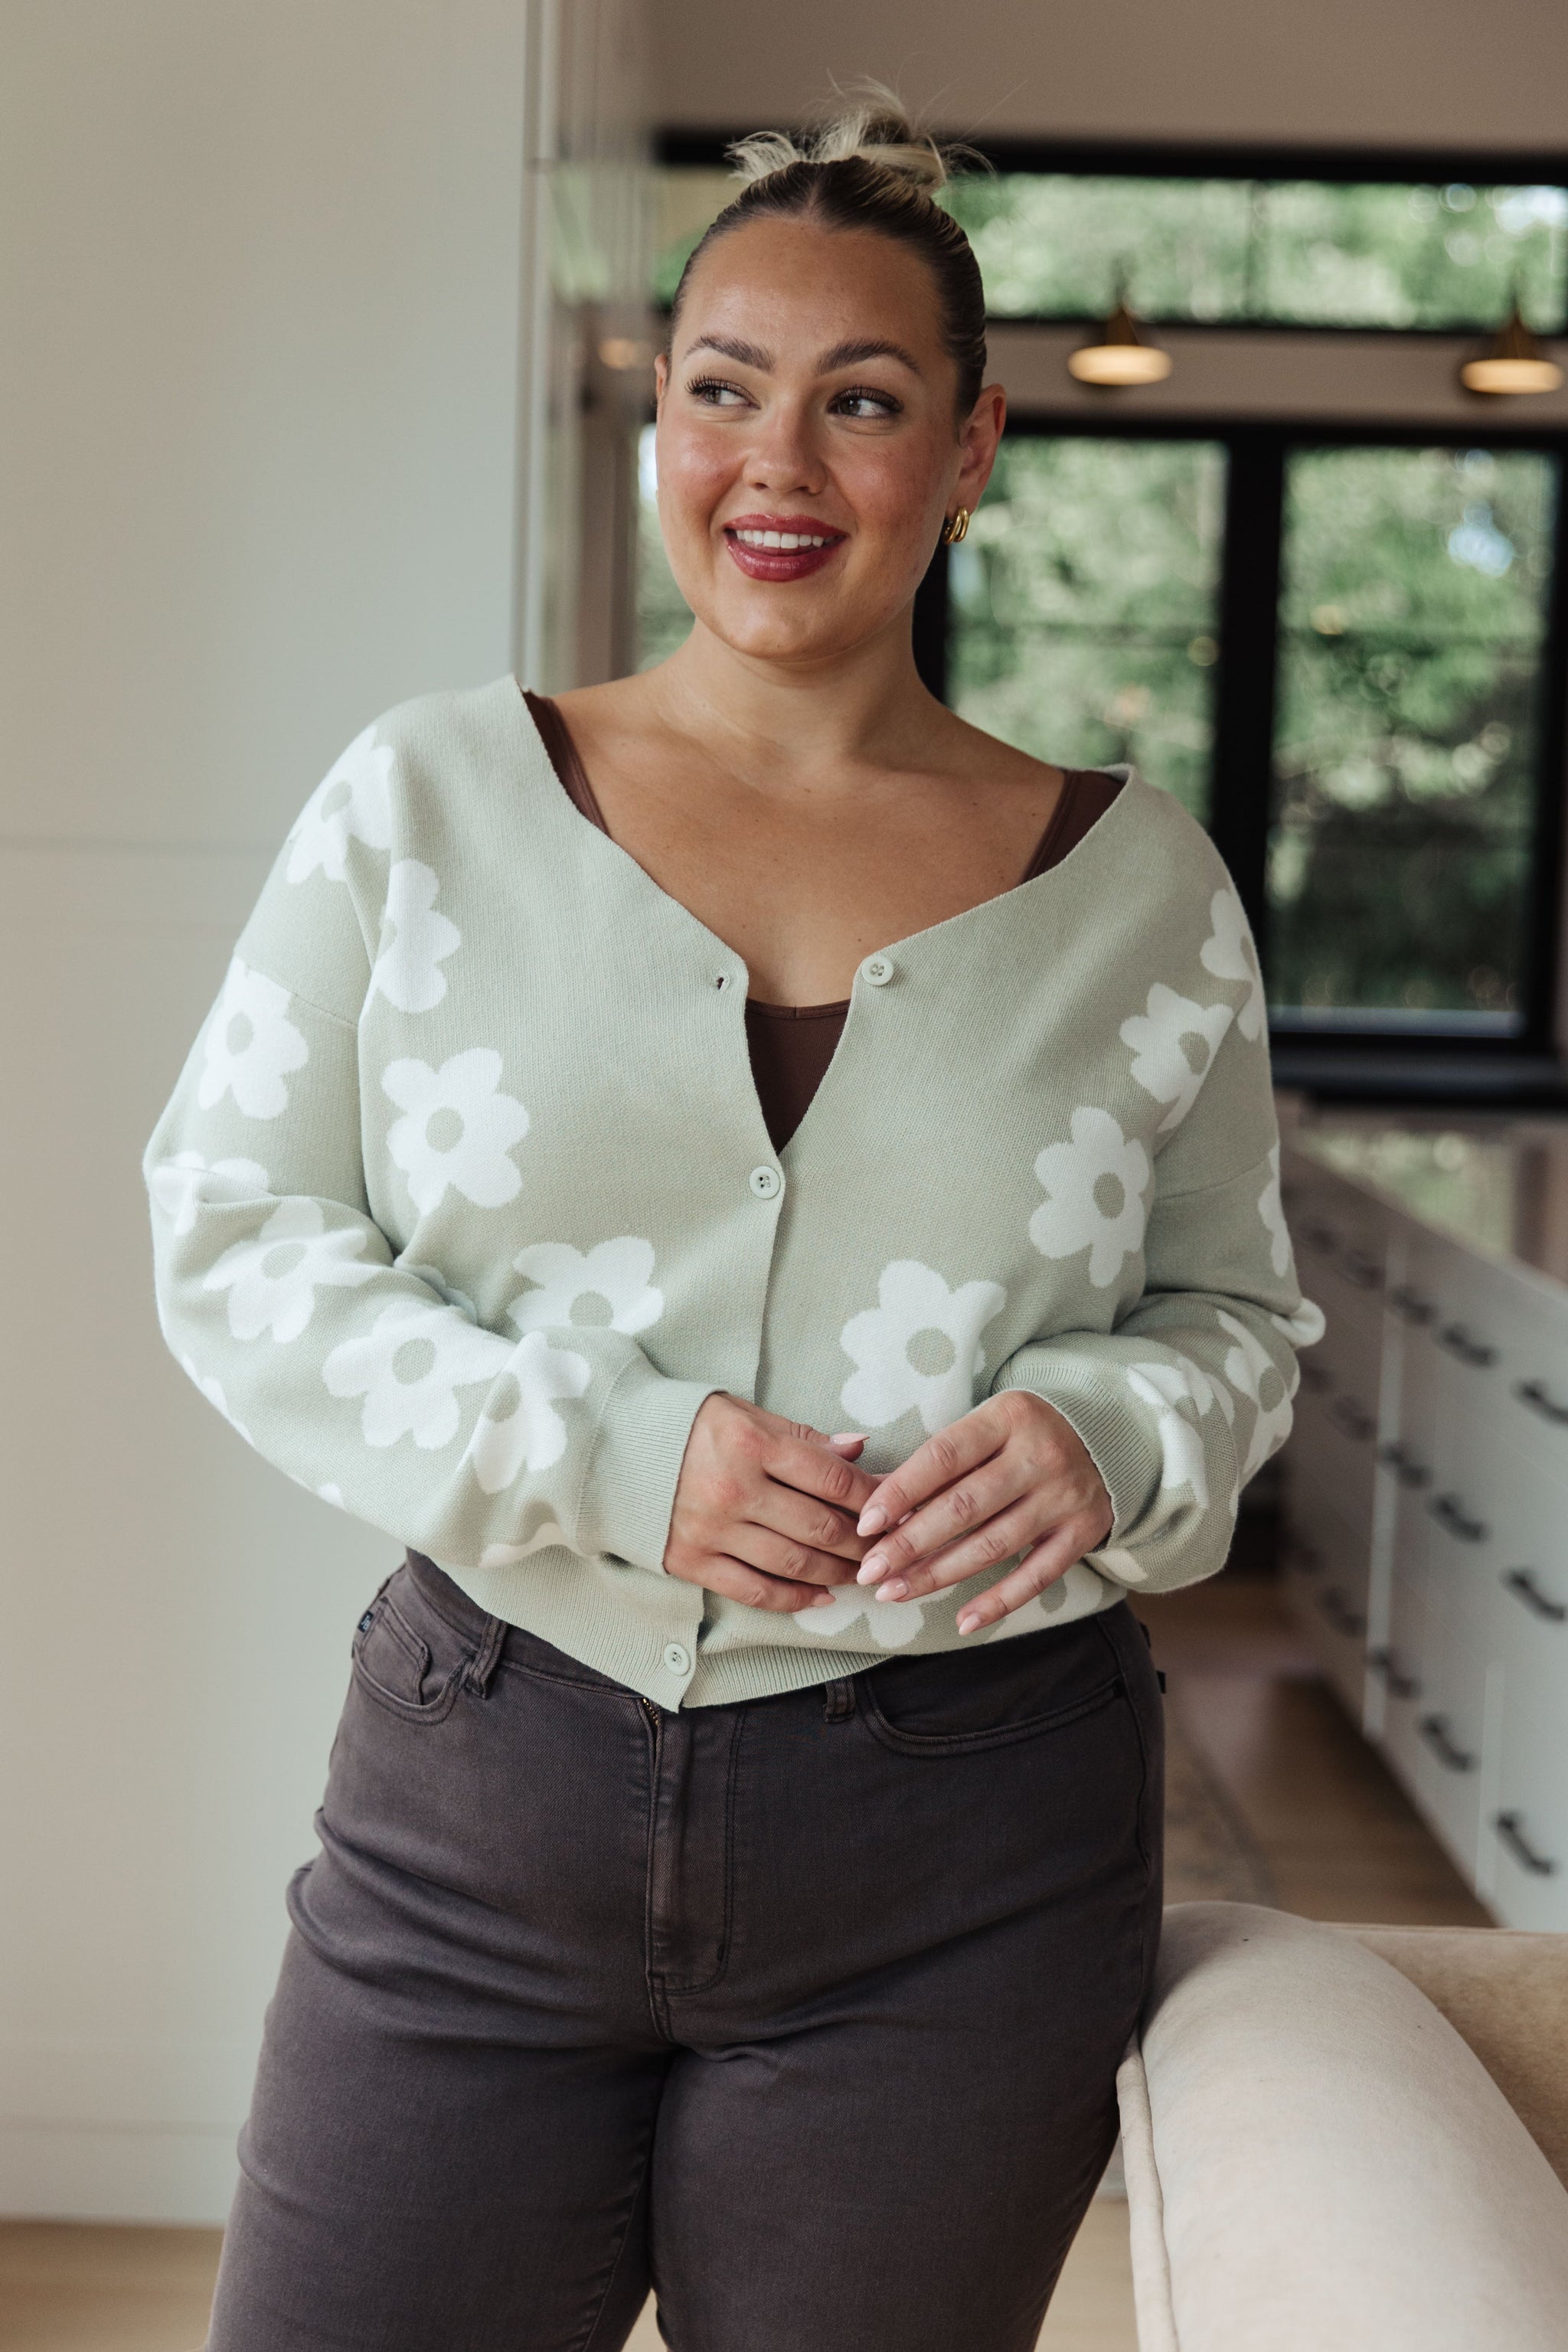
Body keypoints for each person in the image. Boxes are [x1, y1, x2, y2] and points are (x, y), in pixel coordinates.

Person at [145, 93, 1322, 2352]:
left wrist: (1109, 1434)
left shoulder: (1137, 886)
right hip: (487, 1784)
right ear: (657, 423)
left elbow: (1236, 1318)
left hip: (966, 1852)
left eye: (861, 401)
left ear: (970, 450)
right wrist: (605, 1451)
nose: (778, 464)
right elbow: (234, 1229)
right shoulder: (429, 802)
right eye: (724, 389)